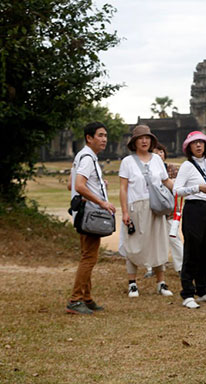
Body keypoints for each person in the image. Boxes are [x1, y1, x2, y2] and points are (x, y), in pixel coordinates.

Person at [65, 122, 116, 315]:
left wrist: (98, 184)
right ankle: (75, 299)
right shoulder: (87, 158)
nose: (104, 139)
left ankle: (86, 298)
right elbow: (78, 185)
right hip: (90, 214)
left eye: (105, 135)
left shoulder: (82, 157)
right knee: (89, 258)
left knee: (87, 255)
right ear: (89, 138)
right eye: (100, 135)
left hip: (83, 213)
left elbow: (70, 184)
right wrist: (102, 202)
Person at [118, 125, 174, 298]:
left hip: (156, 207)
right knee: (133, 244)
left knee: (158, 243)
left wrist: (183, 190)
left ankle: (161, 282)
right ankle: (132, 283)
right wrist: (125, 212)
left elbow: (166, 182)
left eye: (147, 138)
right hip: (137, 207)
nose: (144, 141)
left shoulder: (157, 160)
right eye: (140, 138)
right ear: (134, 142)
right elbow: (123, 188)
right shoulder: (127, 162)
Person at [173, 131, 206, 309]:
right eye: (194, 143)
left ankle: (203, 290)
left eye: (201, 143)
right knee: (192, 250)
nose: (198, 146)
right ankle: (187, 292)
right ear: (188, 147)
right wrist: (197, 188)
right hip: (194, 208)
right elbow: (177, 190)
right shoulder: (187, 166)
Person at [153, 143, 183, 274]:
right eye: (155, 152)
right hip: (153, 209)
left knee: (174, 237)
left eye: (161, 152)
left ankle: (181, 267)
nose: (159, 155)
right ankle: (153, 266)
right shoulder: (148, 170)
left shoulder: (171, 168)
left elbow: (177, 186)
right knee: (154, 239)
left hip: (170, 209)